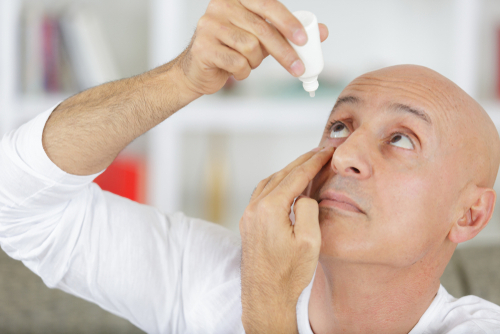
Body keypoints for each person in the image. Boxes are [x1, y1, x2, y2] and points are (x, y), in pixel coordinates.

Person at [1, 0, 500, 332]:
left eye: (400, 138)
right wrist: (183, 77)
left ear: (470, 215)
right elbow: (16, 204)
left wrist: (268, 302)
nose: (344, 155)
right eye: (341, 126)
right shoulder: (211, 278)